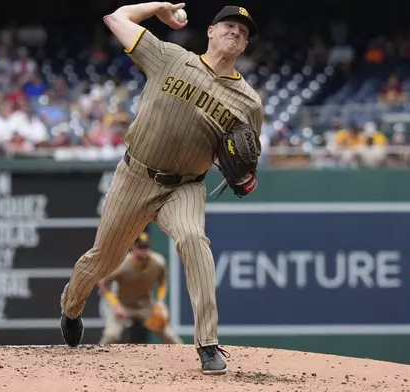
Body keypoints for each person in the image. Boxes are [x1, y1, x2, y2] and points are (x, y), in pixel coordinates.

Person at [59, 2, 263, 375]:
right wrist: (158, 10)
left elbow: (244, 157)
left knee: (193, 239)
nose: (236, 32)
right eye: (229, 25)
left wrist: (245, 174)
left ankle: (208, 344)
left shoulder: (249, 102)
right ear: (211, 32)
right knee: (102, 259)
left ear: (245, 45)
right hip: (135, 176)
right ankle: (71, 306)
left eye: (244, 31)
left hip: (184, 187)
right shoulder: (170, 57)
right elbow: (116, 18)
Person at [97, 232, 183, 345]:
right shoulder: (122, 264)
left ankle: (189, 359)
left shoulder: (157, 263)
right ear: (134, 247)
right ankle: (96, 361)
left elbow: (163, 282)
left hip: (145, 305)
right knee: (111, 335)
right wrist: (116, 305)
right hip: (123, 305)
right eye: (140, 247)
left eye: (146, 247)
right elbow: (103, 282)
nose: (143, 251)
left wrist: (160, 301)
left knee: (170, 336)